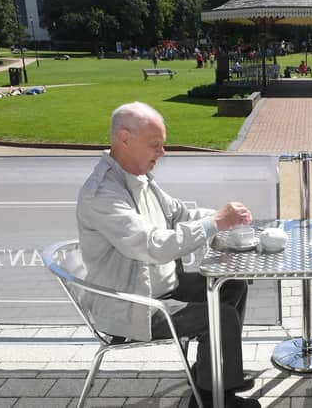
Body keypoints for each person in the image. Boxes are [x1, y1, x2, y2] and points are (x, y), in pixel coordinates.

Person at [76, 102, 260, 408]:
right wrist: (215, 223)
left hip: (157, 286)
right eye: (155, 145)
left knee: (231, 284)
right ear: (124, 139)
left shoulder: (138, 177)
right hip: (132, 306)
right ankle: (216, 399)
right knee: (221, 315)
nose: (162, 153)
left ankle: (211, 382)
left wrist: (223, 220)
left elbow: (179, 213)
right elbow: (153, 246)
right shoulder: (103, 195)